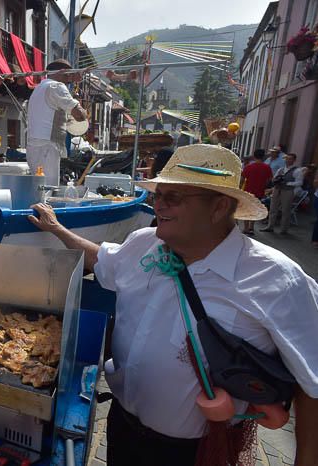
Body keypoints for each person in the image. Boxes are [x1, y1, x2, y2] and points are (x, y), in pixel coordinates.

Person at [28, 144, 318, 466]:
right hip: (124, 428)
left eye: (173, 198)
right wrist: (56, 229)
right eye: (158, 194)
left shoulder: (277, 279)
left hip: (196, 453)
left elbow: (312, 382)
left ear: (219, 207)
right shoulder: (144, 243)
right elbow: (100, 259)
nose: (159, 205)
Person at [26, 59, 87, 186]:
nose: (70, 78)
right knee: (48, 188)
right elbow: (80, 115)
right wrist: (83, 110)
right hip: (48, 145)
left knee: (38, 187)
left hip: (34, 145)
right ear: (62, 72)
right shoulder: (57, 86)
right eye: (69, 74)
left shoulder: (39, 88)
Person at [261, 153, 304, 234]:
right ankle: (270, 226)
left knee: (285, 210)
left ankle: (284, 229)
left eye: (290, 159)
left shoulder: (297, 170)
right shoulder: (281, 169)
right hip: (277, 189)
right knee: (273, 209)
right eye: (287, 159)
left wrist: (288, 183)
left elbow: (300, 182)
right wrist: (276, 180)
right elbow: (274, 178)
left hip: (288, 191)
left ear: (294, 160)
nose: (288, 160)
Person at [240, 148, 273, 235]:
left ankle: (246, 228)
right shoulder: (267, 167)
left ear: (254, 156)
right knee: (255, 209)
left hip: (248, 190)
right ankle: (251, 228)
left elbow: (242, 179)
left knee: (247, 209)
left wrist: (239, 189)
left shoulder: (248, 167)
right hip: (259, 191)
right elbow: (269, 180)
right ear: (263, 157)